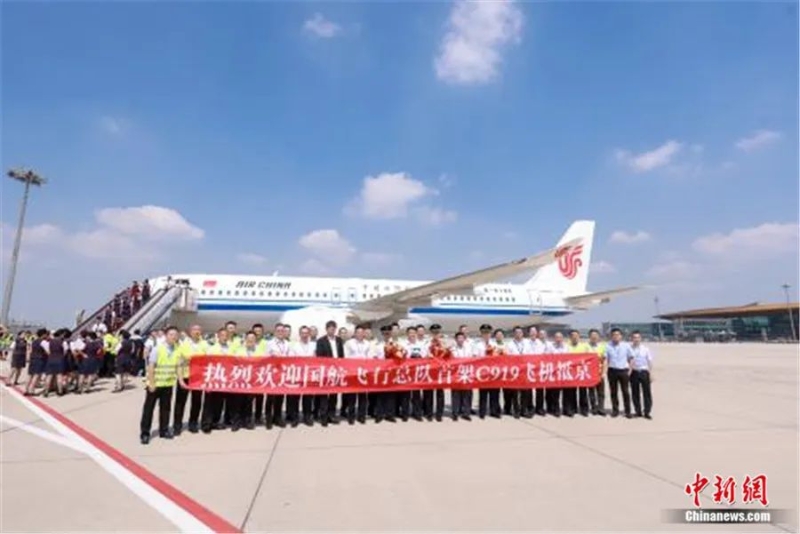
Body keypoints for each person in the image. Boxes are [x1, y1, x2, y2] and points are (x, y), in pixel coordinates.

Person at [140, 326, 181, 444]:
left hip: (168, 384)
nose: (173, 337)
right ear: (166, 336)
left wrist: (180, 381)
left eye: (175, 335)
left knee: (165, 409)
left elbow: (178, 366)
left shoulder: (177, 350)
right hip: (155, 384)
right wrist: (152, 383)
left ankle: (164, 430)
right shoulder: (157, 349)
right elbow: (151, 367)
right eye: (171, 334)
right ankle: (145, 433)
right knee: (149, 409)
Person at [174, 325, 208, 434]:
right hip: (185, 376)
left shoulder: (205, 344)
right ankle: (177, 425)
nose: (196, 332)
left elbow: (209, 360)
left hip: (198, 377)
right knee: (180, 402)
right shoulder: (183, 344)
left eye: (198, 330)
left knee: (196, 401)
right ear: (190, 332)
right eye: (194, 330)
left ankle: (193, 423)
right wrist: (180, 380)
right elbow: (179, 363)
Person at [202, 328, 235, 433]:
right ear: (218, 336)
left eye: (226, 335)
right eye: (222, 335)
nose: (224, 337)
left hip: (225, 380)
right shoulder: (211, 349)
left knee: (219, 403)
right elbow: (206, 365)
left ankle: (215, 422)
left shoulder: (230, 349)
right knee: (209, 403)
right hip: (213, 379)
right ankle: (206, 424)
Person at [314, 320, 344, 427]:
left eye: (334, 328)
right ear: (326, 329)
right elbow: (319, 356)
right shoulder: (321, 341)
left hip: (336, 371)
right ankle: (323, 416)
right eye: (330, 328)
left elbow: (342, 355)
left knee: (334, 394)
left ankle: (332, 415)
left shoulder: (339, 340)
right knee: (324, 395)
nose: (332, 330)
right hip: (326, 371)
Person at [290, 325, 317, 426]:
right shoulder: (294, 346)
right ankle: (295, 418)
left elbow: (317, 358)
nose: (304, 335)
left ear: (309, 334)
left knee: (308, 398)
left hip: (309, 375)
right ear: (300, 334)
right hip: (298, 374)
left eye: (306, 333)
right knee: (295, 398)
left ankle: (307, 417)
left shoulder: (314, 345)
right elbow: (292, 359)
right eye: (303, 333)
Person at [343, 325, 371, 424]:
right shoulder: (349, 343)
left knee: (363, 396)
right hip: (352, 372)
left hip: (363, 373)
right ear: (355, 333)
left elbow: (369, 357)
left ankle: (361, 416)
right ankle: (351, 417)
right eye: (358, 332)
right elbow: (346, 357)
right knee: (352, 396)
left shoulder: (367, 343)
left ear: (364, 334)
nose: (360, 334)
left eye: (361, 332)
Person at [266, 324, 291, 429]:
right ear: (275, 332)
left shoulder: (287, 344)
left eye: (282, 331)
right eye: (278, 330)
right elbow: (265, 357)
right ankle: (268, 419)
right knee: (270, 397)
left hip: (283, 373)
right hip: (272, 373)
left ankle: (277, 417)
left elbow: (290, 357)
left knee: (280, 397)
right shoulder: (270, 343)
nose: (280, 332)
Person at [370, 325, 397, 423]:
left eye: (388, 333)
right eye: (385, 333)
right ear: (382, 334)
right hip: (380, 371)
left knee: (391, 394)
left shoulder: (395, 344)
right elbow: (373, 356)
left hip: (391, 371)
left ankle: (390, 414)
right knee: (380, 394)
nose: (386, 334)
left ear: (390, 333)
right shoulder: (377, 344)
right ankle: (379, 414)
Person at [473, 324, 501, 419]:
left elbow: (499, 357)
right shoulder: (477, 345)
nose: (486, 334)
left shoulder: (495, 344)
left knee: (494, 393)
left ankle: (494, 411)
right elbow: (474, 357)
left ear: (490, 333)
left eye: (488, 333)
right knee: (483, 393)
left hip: (493, 372)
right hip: (482, 373)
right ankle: (482, 412)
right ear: (481, 333)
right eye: (484, 333)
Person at [605, 328, 632, 418]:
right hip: (612, 371)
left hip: (624, 371)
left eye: (617, 335)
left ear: (621, 336)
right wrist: (605, 371)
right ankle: (615, 410)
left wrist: (630, 371)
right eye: (614, 335)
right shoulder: (608, 346)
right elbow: (606, 359)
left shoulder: (626, 346)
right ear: (611, 336)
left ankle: (627, 411)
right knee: (613, 392)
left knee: (625, 392)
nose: (616, 336)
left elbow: (631, 359)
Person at [503, 326, 529, 418]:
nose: (518, 334)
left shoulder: (527, 343)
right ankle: (516, 410)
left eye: (520, 332)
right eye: (516, 332)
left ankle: (524, 410)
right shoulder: (510, 344)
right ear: (514, 334)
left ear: (522, 334)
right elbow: (507, 357)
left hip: (525, 370)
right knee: (515, 392)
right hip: (515, 371)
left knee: (525, 392)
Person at [401, 326, 427, 420]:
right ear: (407, 334)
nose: (412, 334)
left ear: (416, 334)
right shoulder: (403, 344)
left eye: (413, 333)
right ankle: (405, 414)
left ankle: (417, 413)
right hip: (406, 372)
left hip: (417, 372)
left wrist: (419, 357)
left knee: (417, 394)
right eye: (410, 333)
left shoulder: (421, 345)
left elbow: (425, 357)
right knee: (406, 394)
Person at [628, 331, 654, 419]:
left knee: (647, 393)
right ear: (631, 339)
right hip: (634, 372)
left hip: (644, 372)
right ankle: (638, 411)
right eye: (634, 337)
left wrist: (651, 374)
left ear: (640, 338)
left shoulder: (645, 349)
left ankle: (647, 412)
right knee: (635, 393)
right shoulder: (629, 349)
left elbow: (649, 361)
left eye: (638, 337)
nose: (636, 339)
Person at [424, 324, 447, 421]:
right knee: (428, 393)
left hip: (440, 371)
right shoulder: (427, 342)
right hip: (429, 370)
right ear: (431, 332)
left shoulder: (444, 342)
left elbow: (448, 354)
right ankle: (429, 413)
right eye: (434, 332)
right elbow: (424, 354)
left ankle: (439, 414)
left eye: (437, 332)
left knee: (440, 393)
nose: (436, 333)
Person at [566, 330, 589, 417]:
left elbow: (588, 358)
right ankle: (573, 409)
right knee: (571, 392)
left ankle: (584, 409)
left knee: (583, 392)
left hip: (581, 372)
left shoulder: (584, 347)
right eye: (572, 336)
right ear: (570, 337)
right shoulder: (567, 347)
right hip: (571, 372)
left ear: (579, 337)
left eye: (576, 335)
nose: (574, 337)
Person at [450, 331, 473, 421]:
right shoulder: (452, 349)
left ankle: (466, 413)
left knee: (467, 394)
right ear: (455, 339)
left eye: (462, 338)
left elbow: (472, 359)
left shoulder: (469, 348)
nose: (460, 340)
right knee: (455, 394)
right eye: (458, 338)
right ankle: (455, 413)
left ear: (464, 339)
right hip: (455, 374)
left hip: (467, 373)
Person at [547, 332, 569, 416]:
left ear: (562, 338)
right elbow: (547, 358)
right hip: (554, 372)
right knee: (555, 393)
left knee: (565, 392)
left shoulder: (566, 347)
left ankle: (565, 409)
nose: (558, 339)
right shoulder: (550, 347)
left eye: (560, 337)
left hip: (564, 372)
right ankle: (556, 409)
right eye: (557, 337)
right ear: (554, 338)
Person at [42, 329, 68, 397]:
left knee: (49, 376)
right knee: (59, 376)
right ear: (60, 335)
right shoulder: (63, 342)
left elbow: (48, 351)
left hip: (51, 359)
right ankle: (60, 391)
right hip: (59, 359)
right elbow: (65, 352)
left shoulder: (49, 342)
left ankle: (46, 391)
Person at [587, 329, 607, 416]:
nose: (594, 337)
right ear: (589, 337)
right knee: (591, 392)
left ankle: (601, 408)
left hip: (599, 372)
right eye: (592, 335)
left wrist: (604, 372)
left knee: (601, 392)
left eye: (596, 335)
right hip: (590, 373)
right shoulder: (585, 347)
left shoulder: (602, 347)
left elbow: (605, 360)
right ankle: (594, 408)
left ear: (598, 337)